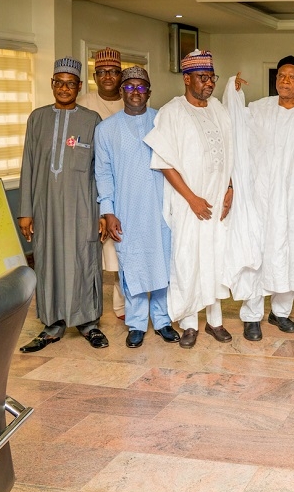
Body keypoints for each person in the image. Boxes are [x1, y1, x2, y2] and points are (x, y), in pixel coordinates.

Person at [224, 56, 294, 342]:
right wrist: (233, 94)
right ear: (276, 80)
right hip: (262, 198)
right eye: (281, 75)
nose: (285, 81)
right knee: (259, 254)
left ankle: (280, 313)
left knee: (293, 253)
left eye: (291, 77)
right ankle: (252, 316)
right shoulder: (258, 110)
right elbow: (233, 127)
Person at [144, 50, 234, 348]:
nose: (209, 83)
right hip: (188, 205)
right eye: (203, 78)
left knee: (215, 259)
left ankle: (215, 322)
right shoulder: (173, 112)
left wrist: (230, 187)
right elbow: (164, 161)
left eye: (211, 78)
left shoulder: (218, 109)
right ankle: (189, 324)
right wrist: (192, 198)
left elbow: (230, 154)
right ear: (187, 79)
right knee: (188, 260)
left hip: (218, 201)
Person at [18, 57, 107, 352]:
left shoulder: (91, 120)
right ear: (52, 85)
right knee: (48, 261)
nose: (64, 88)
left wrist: (103, 211)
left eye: (70, 83)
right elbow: (28, 166)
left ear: (79, 87)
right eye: (59, 82)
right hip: (45, 208)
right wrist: (26, 211)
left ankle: (89, 323)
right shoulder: (38, 118)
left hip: (83, 206)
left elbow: (101, 169)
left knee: (84, 260)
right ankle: (52, 324)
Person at [95, 66, 180, 348]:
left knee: (162, 265)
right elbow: (103, 173)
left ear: (149, 92)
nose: (135, 92)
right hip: (126, 210)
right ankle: (136, 324)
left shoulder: (162, 123)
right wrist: (108, 212)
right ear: (121, 91)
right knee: (131, 267)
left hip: (161, 208)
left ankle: (163, 320)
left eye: (140, 87)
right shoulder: (106, 129)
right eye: (129, 87)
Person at [79, 46, 126, 321]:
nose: (108, 76)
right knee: (90, 253)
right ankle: (87, 308)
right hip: (89, 186)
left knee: (122, 253)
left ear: (120, 75)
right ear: (95, 76)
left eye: (113, 72)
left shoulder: (131, 100)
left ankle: (121, 306)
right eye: (102, 72)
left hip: (122, 187)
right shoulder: (83, 102)